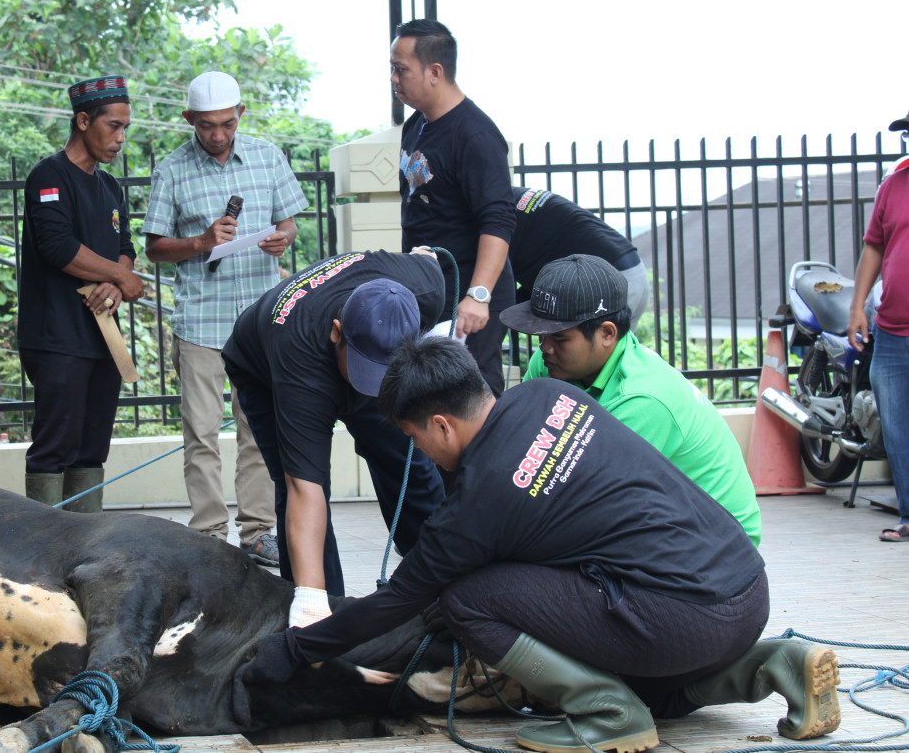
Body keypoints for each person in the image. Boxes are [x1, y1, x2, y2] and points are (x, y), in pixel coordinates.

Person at [243, 336, 841, 753]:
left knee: (468, 599)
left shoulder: (479, 505)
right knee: (650, 678)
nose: (418, 451)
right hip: (745, 586)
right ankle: (772, 663)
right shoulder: (553, 397)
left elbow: (396, 601)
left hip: (682, 618)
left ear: (442, 424)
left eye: (413, 436)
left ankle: (606, 713)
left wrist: (295, 650)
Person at [221, 249, 449, 621]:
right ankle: (321, 610)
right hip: (266, 366)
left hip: (362, 350)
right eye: (367, 373)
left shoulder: (426, 288)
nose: (372, 391)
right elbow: (303, 489)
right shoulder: (302, 359)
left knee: (408, 464)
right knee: (298, 482)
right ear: (337, 332)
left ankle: (439, 579)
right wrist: (312, 602)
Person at [143, 70, 306, 566]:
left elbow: (289, 222)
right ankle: (209, 536)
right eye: (207, 126)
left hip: (259, 316)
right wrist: (201, 242)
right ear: (190, 119)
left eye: (225, 124)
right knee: (201, 433)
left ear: (240, 115)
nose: (217, 135)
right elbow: (153, 248)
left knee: (258, 430)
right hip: (201, 322)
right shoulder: (172, 170)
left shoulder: (266, 156)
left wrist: (284, 238)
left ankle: (258, 533)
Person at [500, 254, 761, 545]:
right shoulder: (551, 364)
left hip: (716, 548)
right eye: (541, 335)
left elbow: (580, 498)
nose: (545, 347)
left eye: (559, 338)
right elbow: (520, 445)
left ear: (607, 334)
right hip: (659, 518)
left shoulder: (642, 400)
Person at [17, 75, 143, 511]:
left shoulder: (110, 187)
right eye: (113, 126)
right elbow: (57, 247)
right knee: (56, 445)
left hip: (102, 338)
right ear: (84, 120)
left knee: (93, 447)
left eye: (126, 127)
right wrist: (123, 279)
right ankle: (43, 549)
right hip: (56, 338)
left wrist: (116, 279)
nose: (121, 138)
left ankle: (84, 545)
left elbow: (124, 248)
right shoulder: (48, 176)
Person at [392, 18, 516, 395]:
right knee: (431, 396)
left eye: (401, 70)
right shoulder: (416, 125)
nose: (394, 79)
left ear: (435, 72)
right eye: (392, 69)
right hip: (431, 288)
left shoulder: (475, 135)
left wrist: (478, 296)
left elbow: (498, 218)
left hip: (468, 289)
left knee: (472, 393)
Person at [849, 145, 909, 542]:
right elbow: (874, 245)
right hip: (891, 329)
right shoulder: (895, 184)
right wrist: (857, 307)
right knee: (898, 430)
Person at [509, 186, 649, 320]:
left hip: (605, 288)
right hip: (635, 273)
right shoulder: (514, 198)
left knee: (574, 341)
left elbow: (499, 287)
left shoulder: (497, 217)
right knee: (619, 344)